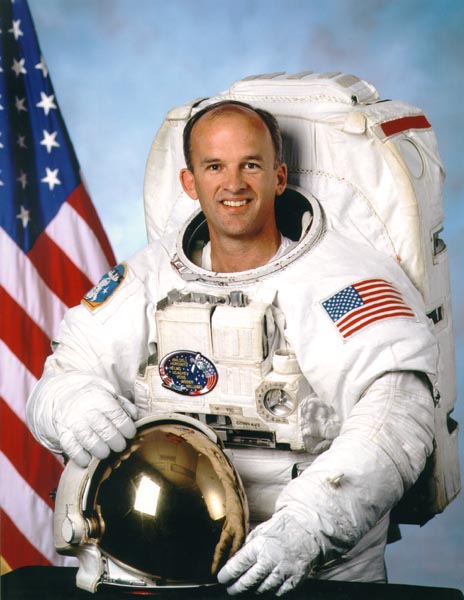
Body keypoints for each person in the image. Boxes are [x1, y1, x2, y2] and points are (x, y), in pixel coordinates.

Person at [27, 100, 438, 596]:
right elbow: (63, 375)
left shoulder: (340, 282)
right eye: (215, 167)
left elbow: (398, 414)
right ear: (189, 182)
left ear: (279, 177)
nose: (234, 184)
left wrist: (309, 525)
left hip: (313, 569)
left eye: (251, 165)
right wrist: (72, 403)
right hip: (165, 566)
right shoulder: (149, 277)